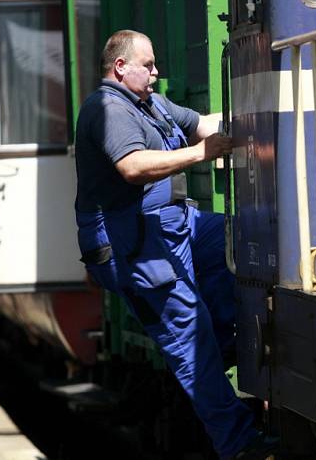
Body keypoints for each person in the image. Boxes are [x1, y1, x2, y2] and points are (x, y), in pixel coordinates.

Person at [74, 30, 278, 460]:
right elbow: (132, 166)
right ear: (120, 67)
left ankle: (216, 357)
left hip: (173, 225)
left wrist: (264, 116)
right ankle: (240, 445)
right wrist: (200, 154)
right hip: (131, 242)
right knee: (191, 337)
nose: (156, 72)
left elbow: (205, 125)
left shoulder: (151, 102)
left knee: (238, 238)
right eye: (148, 65)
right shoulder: (108, 108)